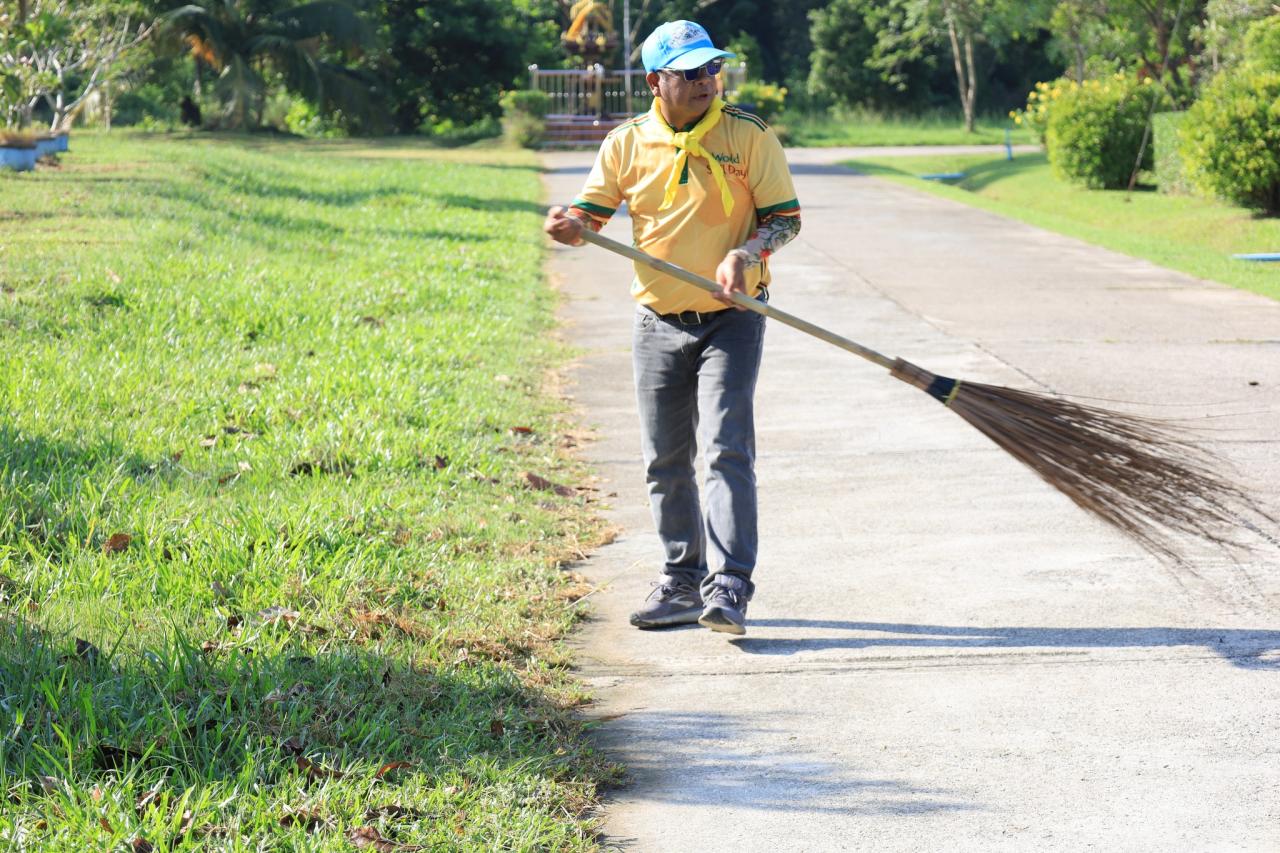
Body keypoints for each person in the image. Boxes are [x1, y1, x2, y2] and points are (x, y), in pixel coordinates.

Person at [544, 20, 800, 636]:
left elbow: (786, 220)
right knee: (664, 459)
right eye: (689, 73)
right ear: (656, 81)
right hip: (657, 319)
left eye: (711, 69)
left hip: (733, 319)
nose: (706, 82)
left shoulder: (748, 135)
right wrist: (572, 224)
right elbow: (593, 213)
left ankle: (730, 584)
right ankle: (681, 580)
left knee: (726, 450)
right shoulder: (626, 143)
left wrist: (748, 254)